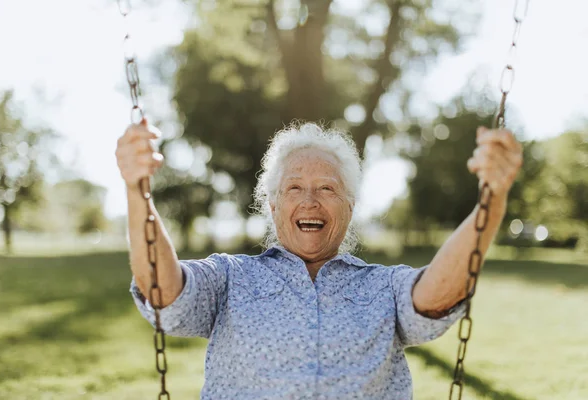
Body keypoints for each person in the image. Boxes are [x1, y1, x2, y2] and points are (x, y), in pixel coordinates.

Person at [115, 121, 523, 399]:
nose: (310, 200)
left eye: (327, 188)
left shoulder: (383, 286)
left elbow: (437, 293)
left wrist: (493, 199)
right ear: (272, 207)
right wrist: (138, 190)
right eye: (294, 187)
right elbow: (164, 289)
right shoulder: (231, 278)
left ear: (349, 205)